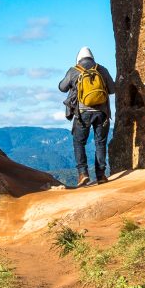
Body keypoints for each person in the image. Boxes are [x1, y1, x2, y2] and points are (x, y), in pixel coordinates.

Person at [58, 46, 113, 187]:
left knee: (79, 142)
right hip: (102, 113)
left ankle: (83, 174)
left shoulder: (74, 70)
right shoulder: (102, 69)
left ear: (79, 59)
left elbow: (62, 87)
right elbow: (112, 89)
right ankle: (101, 176)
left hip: (82, 113)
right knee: (100, 143)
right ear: (92, 57)